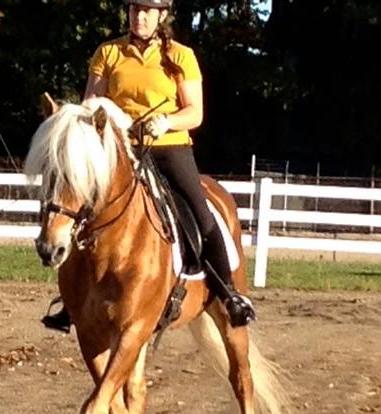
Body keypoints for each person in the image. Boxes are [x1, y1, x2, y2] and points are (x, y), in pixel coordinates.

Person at [42, 0, 255, 332]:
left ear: (162, 16)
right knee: (84, 213)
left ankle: (228, 292)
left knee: (201, 213)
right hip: (119, 152)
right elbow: (91, 105)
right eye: (134, 10)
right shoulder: (108, 53)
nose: (138, 17)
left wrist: (166, 122)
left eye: (147, 11)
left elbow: (195, 112)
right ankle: (73, 301)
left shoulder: (181, 56)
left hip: (169, 150)